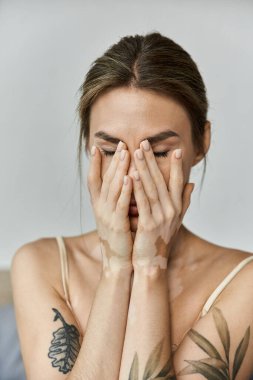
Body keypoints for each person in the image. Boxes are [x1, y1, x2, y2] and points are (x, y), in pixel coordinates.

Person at [11, 32, 253, 380]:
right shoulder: (41, 264)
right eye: (111, 152)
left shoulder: (244, 282)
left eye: (158, 153)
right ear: (87, 147)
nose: (135, 178)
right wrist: (115, 268)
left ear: (202, 142)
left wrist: (150, 267)